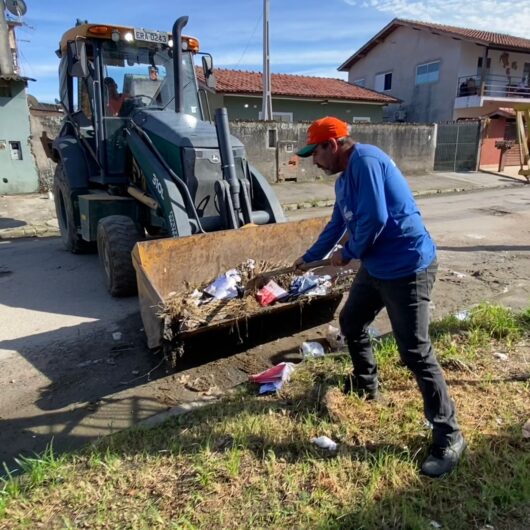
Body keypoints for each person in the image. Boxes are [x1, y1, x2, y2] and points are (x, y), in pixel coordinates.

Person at [294, 116, 466, 478]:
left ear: (334, 144)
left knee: (415, 351)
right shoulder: (343, 183)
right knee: (352, 322)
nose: (314, 161)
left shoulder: (367, 161)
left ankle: (449, 437)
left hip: (408, 267)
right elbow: (337, 224)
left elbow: (375, 217)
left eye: (316, 152)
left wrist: (349, 252)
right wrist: (310, 258)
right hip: (376, 266)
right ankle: (366, 383)